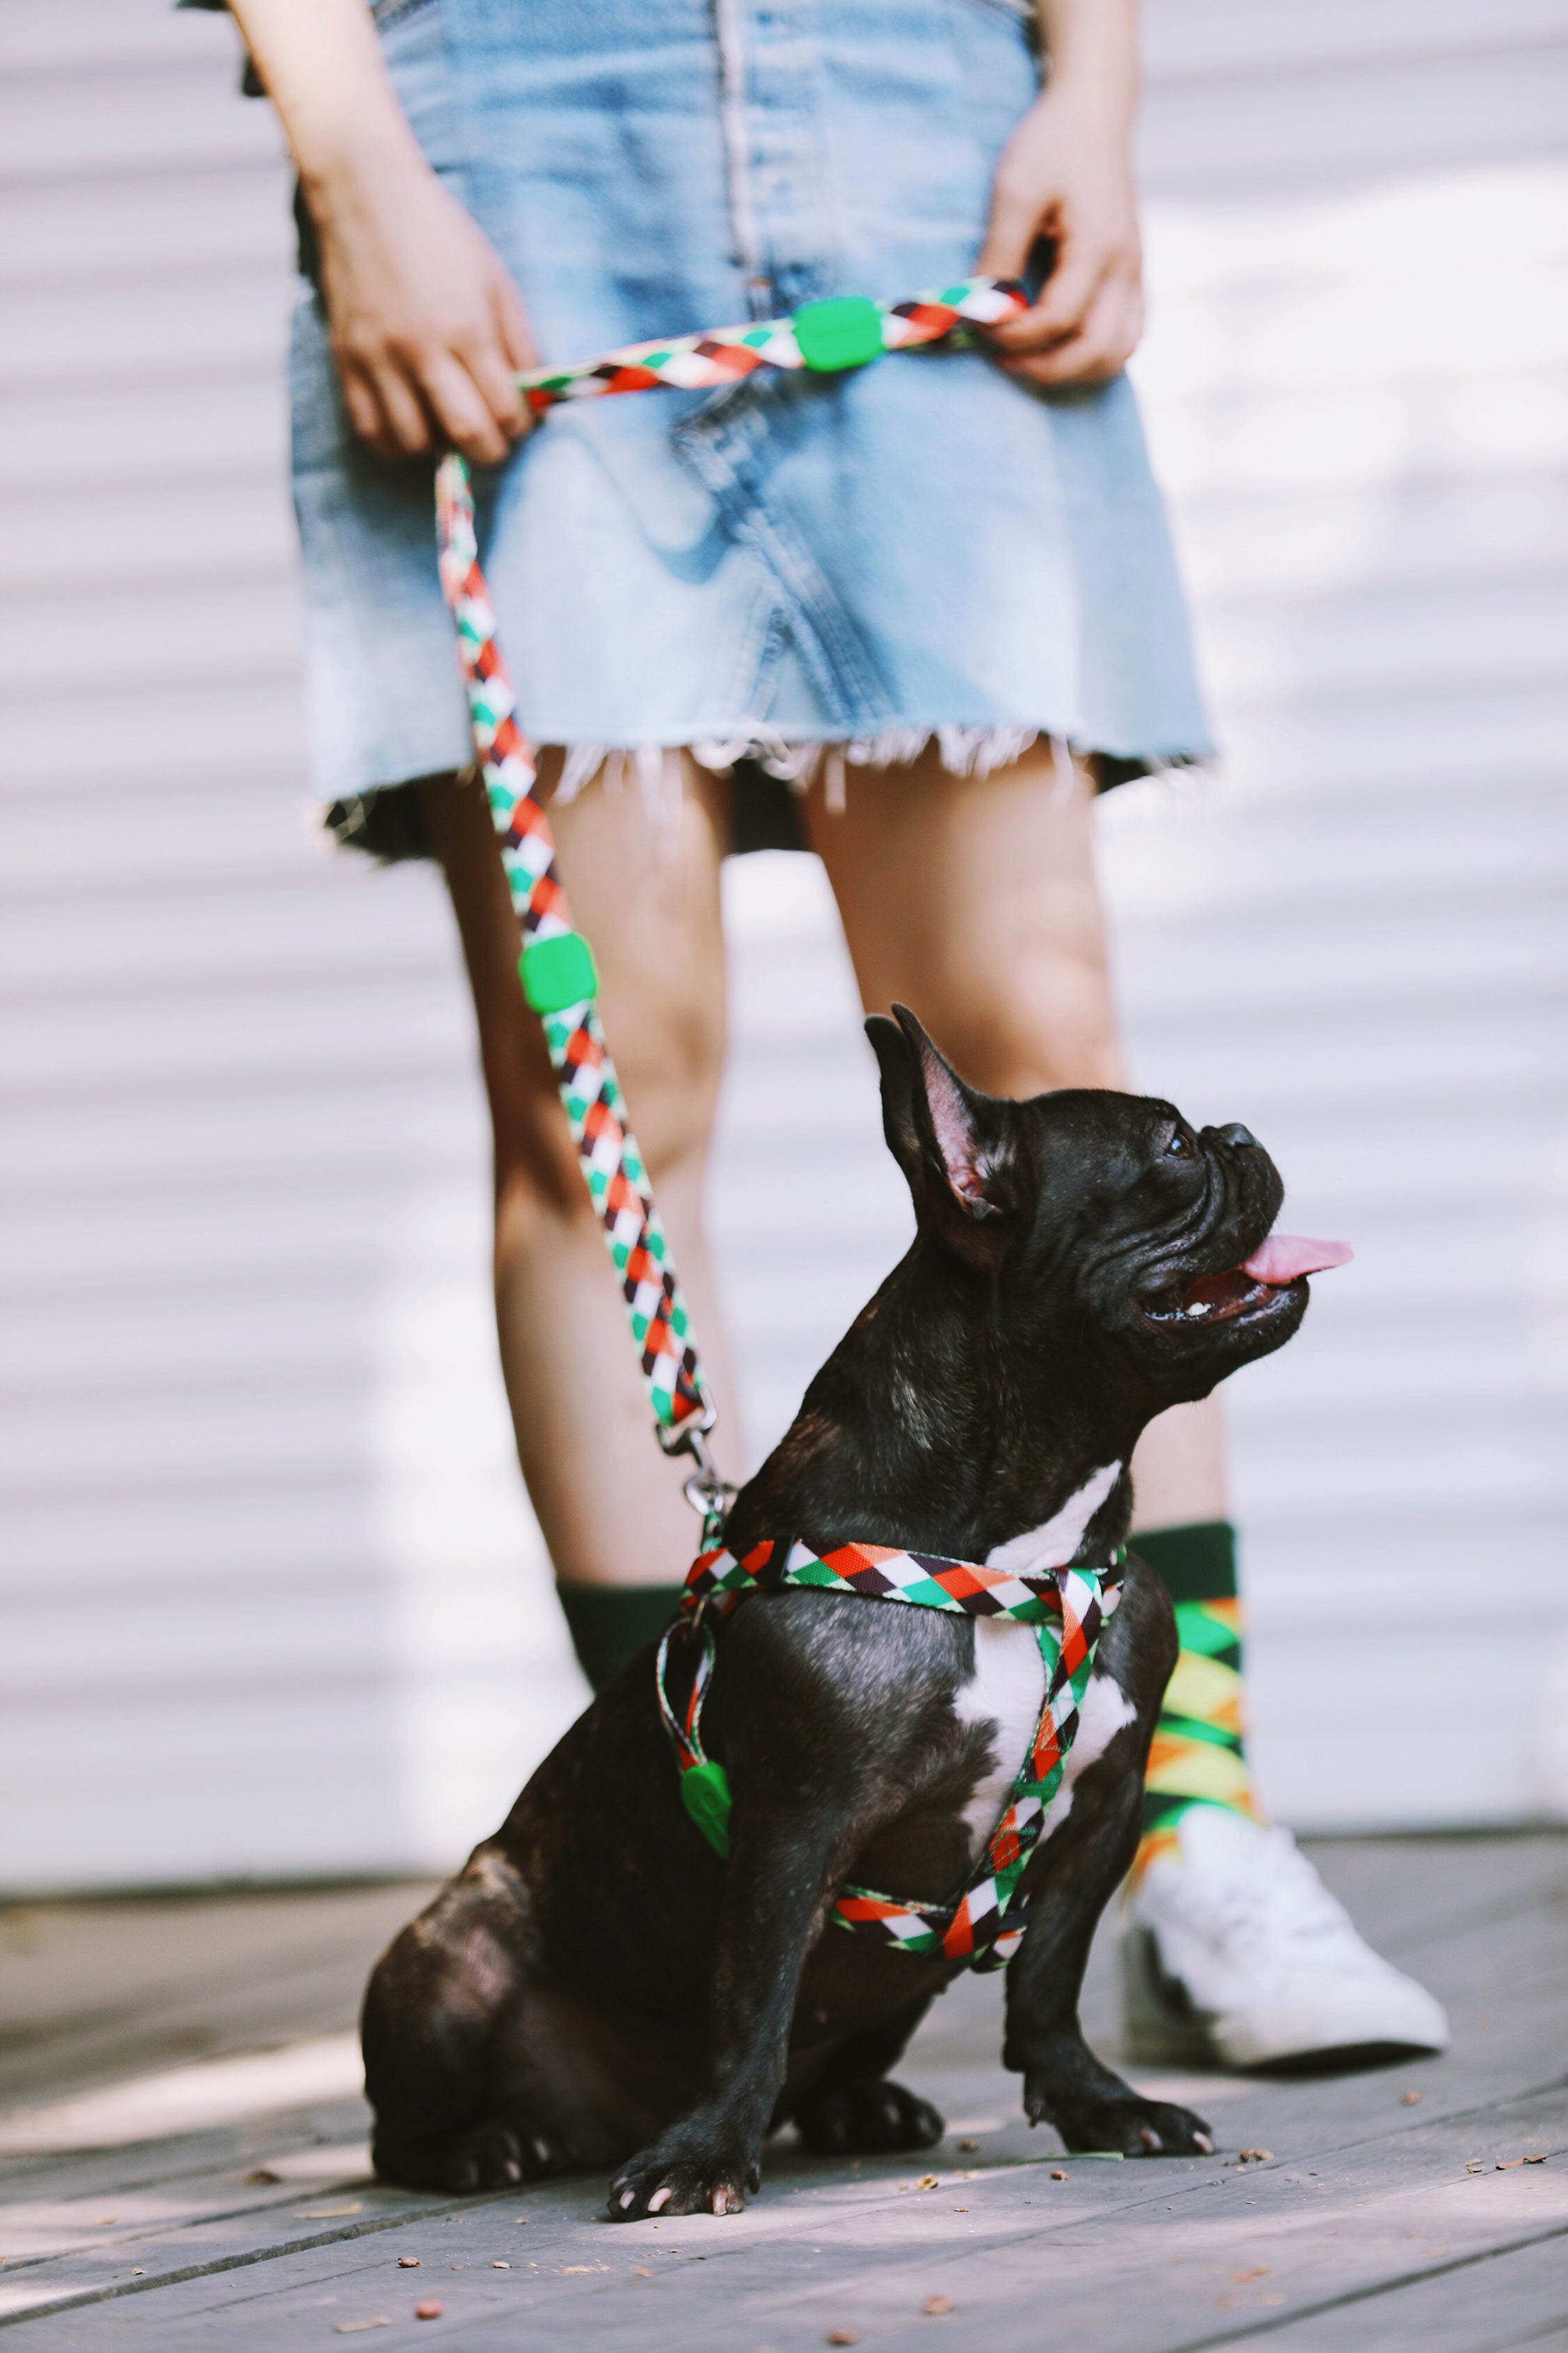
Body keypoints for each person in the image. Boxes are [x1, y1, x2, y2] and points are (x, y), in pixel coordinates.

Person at [203, 0, 1446, 2070]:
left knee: (1043, 1032)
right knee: (606, 1104)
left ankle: (1188, 1812)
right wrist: (354, 158)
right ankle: (697, 1847)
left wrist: (1096, 84)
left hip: (913, 120)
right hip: (516, 143)